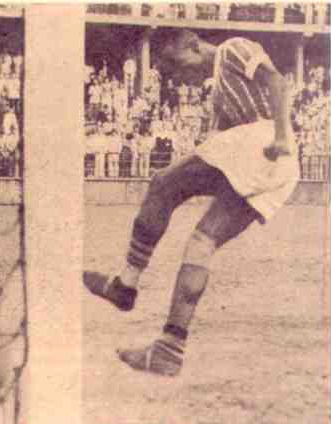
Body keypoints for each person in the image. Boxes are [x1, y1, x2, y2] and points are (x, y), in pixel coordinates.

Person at [84, 30, 299, 377]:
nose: (180, 77)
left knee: (163, 185)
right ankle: (170, 349)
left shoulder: (232, 49)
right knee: (202, 242)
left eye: (178, 65)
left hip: (265, 142)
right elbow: (222, 147)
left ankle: (126, 284)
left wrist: (279, 136)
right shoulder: (220, 94)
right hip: (281, 170)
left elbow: (277, 81)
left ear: (194, 45)